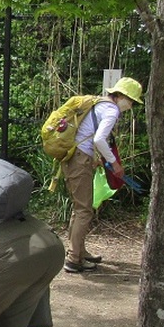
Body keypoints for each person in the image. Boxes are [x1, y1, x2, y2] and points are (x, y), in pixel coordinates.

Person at [61, 77, 143, 273]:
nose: (130, 106)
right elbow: (98, 139)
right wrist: (114, 164)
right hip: (80, 159)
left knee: (80, 208)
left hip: (74, 157)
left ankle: (78, 251)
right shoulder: (111, 110)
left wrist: (97, 160)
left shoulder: (99, 103)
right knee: (84, 210)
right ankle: (74, 259)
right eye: (131, 101)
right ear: (121, 96)